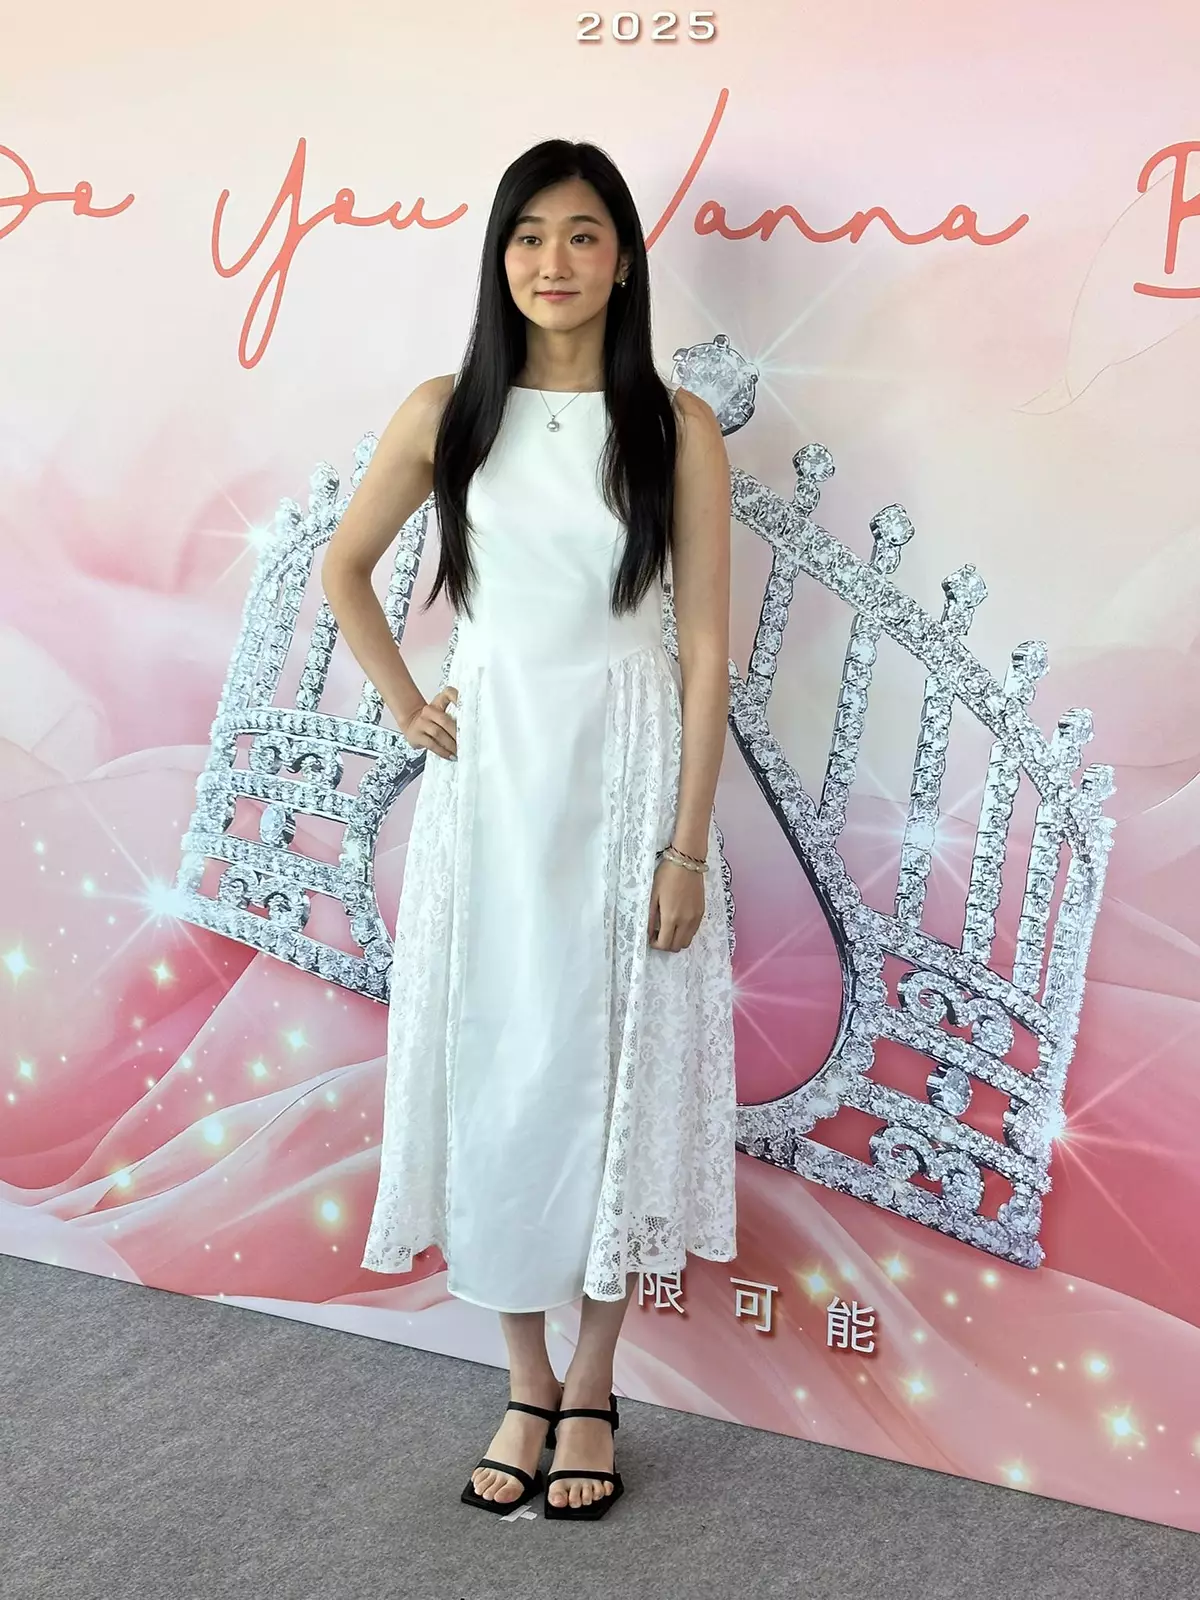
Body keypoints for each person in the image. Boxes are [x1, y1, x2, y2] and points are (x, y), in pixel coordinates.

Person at [322, 139, 737, 1522]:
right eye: (527, 236)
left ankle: (596, 1381)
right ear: (499, 257)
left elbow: (703, 649)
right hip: (492, 777)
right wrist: (407, 703)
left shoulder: (676, 427)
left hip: (628, 773)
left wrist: (687, 844)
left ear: (623, 259)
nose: (552, 262)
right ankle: (523, 1379)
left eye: (582, 235)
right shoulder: (448, 411)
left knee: (612, 1060)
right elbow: (345, 565)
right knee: (496, 1052)